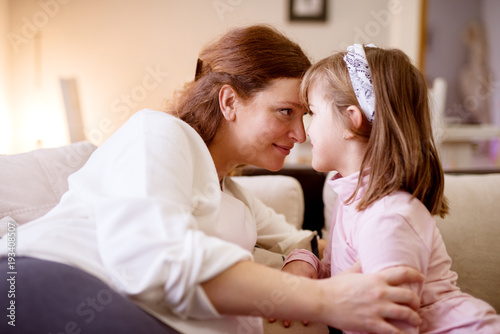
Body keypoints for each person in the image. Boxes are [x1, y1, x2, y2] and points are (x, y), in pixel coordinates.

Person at [0, 27, 424, 334]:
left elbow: (301, 240)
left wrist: (300, 264)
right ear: (229, 101)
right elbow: (156, 258)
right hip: (44, 282)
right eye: (285, 112)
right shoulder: (160, 134)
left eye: (305, 116)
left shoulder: (234, 195)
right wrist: (329, 300)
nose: (299, 134)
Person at [281, 44, 500, 333]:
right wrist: (306, 261)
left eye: (313, 113)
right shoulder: (352, 199)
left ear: (351, 120)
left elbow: (388, 325)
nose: (305, 130)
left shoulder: (387, 218)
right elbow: (343, 282)